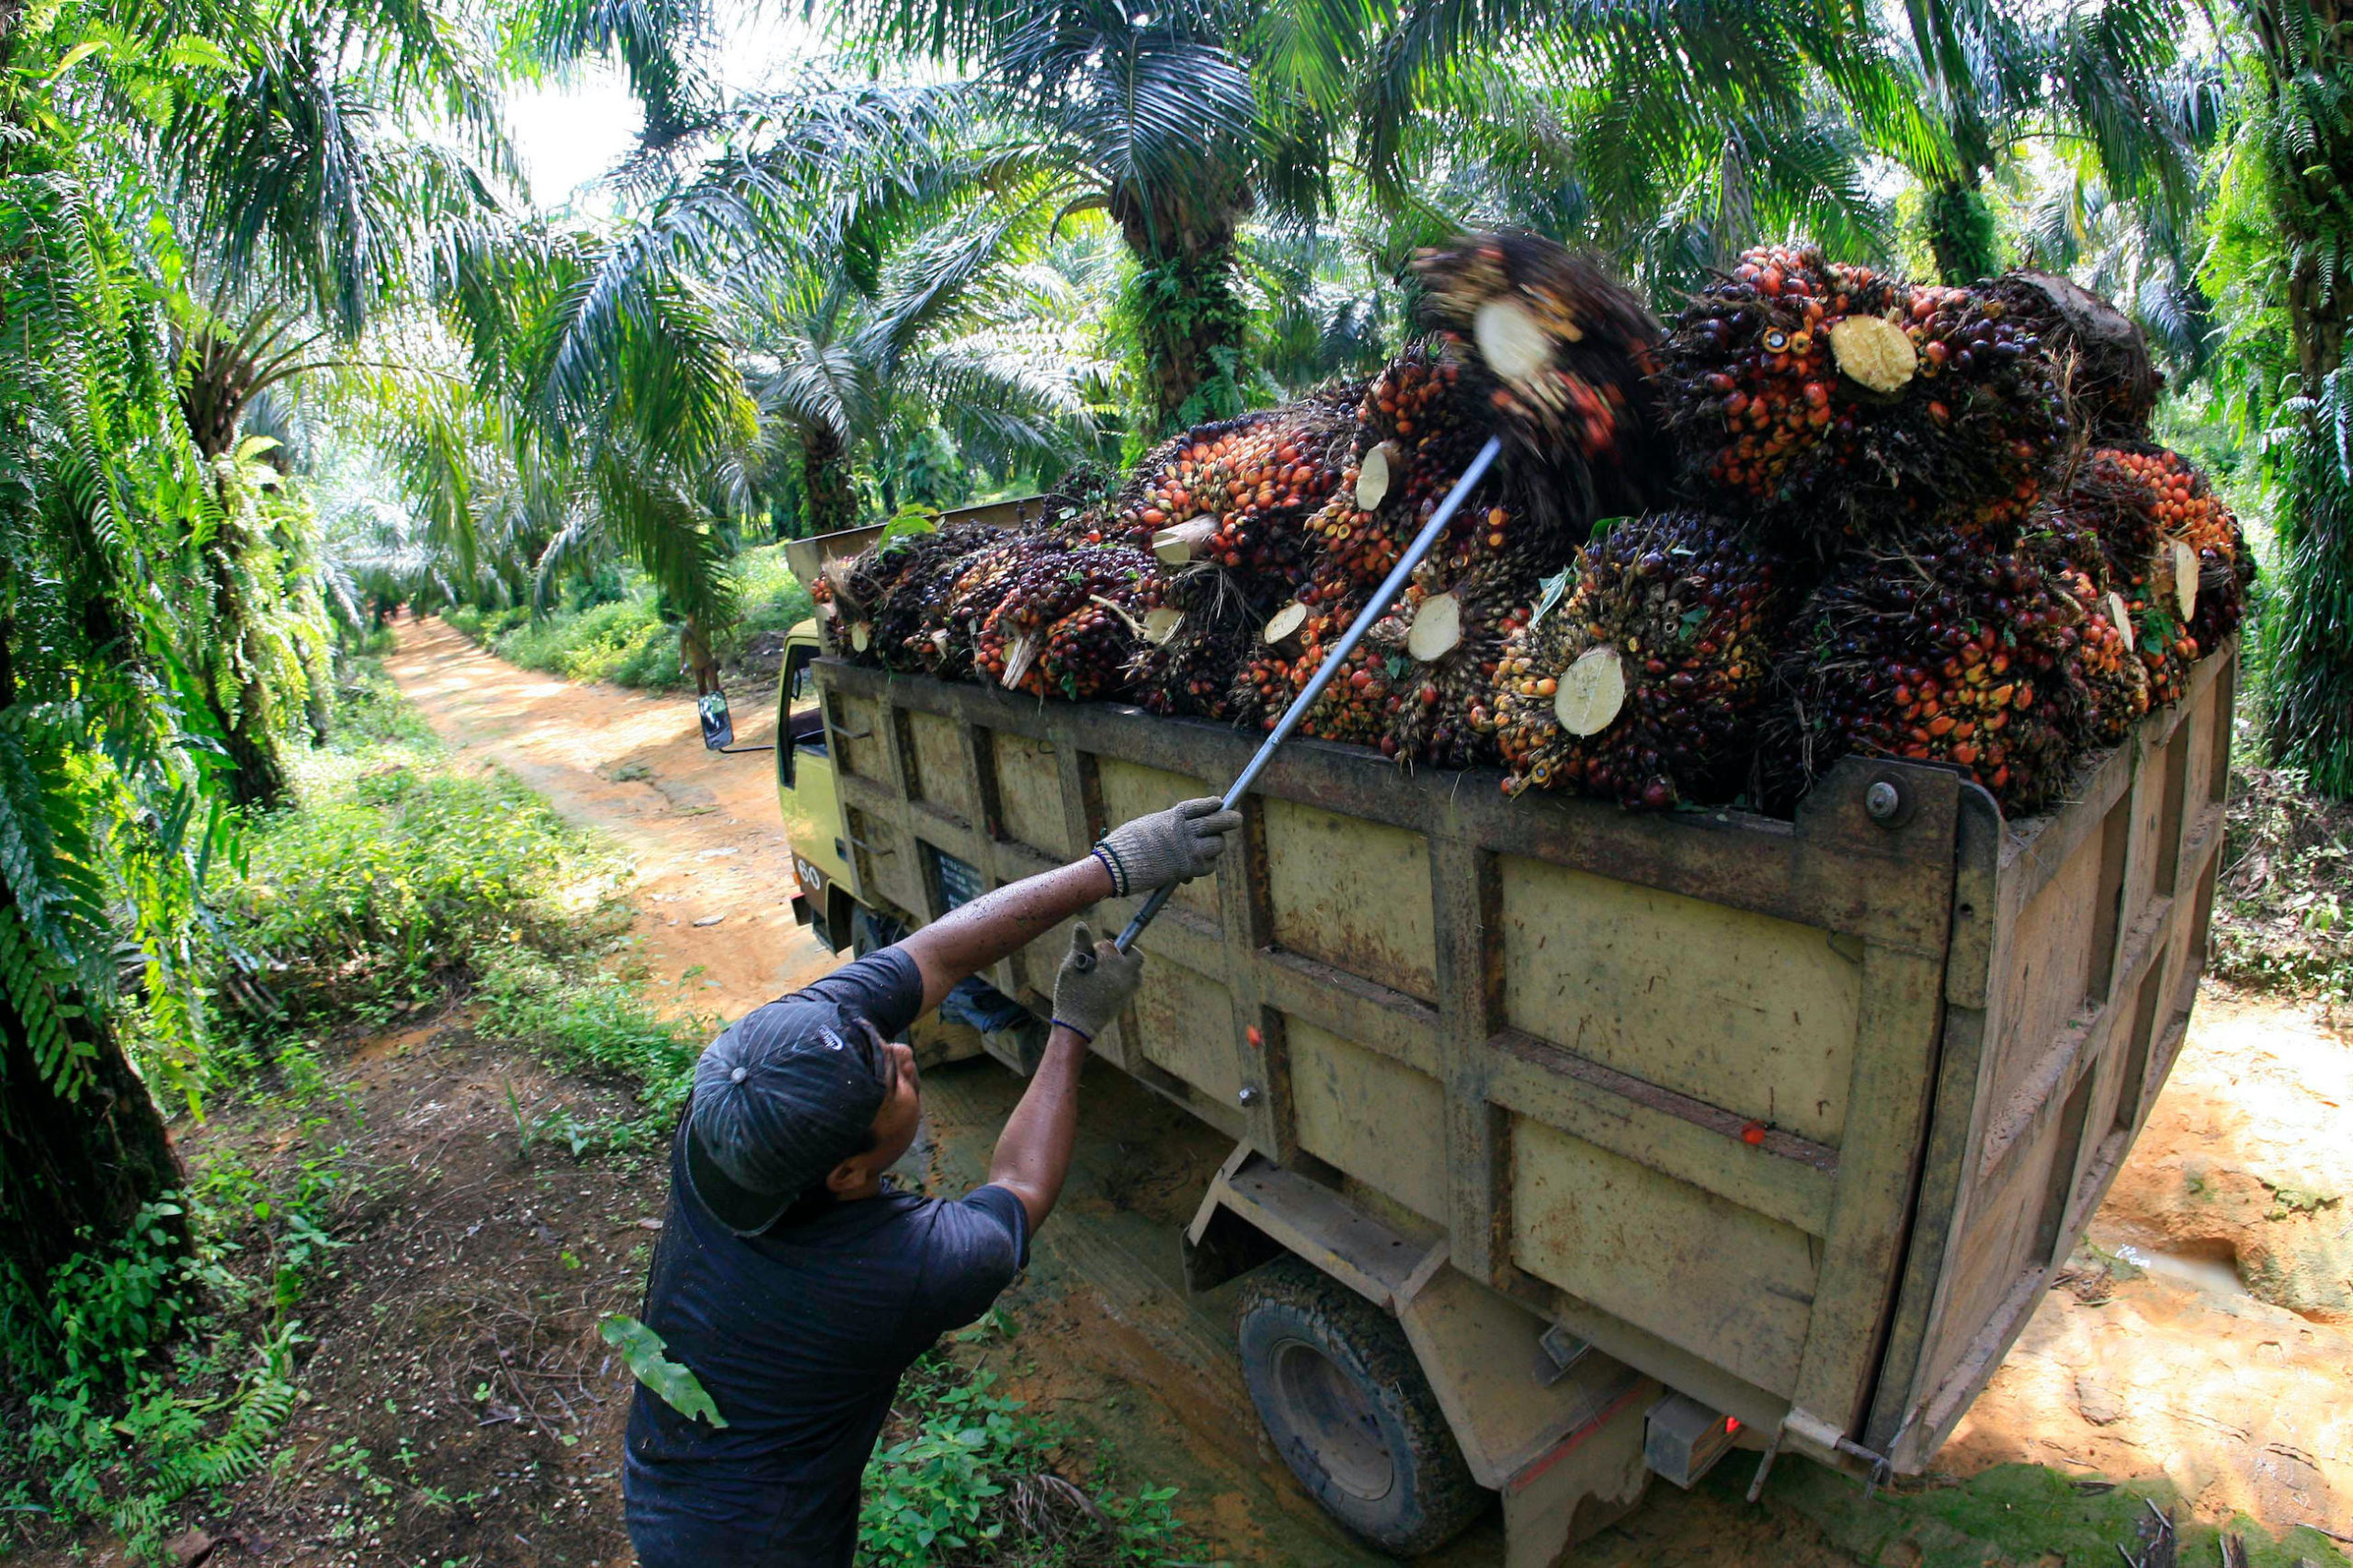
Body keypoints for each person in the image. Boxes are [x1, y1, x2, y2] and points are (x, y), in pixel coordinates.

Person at [622, 796, 1244, 1568]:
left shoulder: (748, 1087)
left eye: (880, 1046)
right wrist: (1073, 1029)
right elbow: (1018, 1190)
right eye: (894, 1086)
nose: (904, 1054)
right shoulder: (893, 1270)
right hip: (757, 1539)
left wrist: (1109, 867)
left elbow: (938, 958)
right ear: (847, 1172)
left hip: (667, 1462)